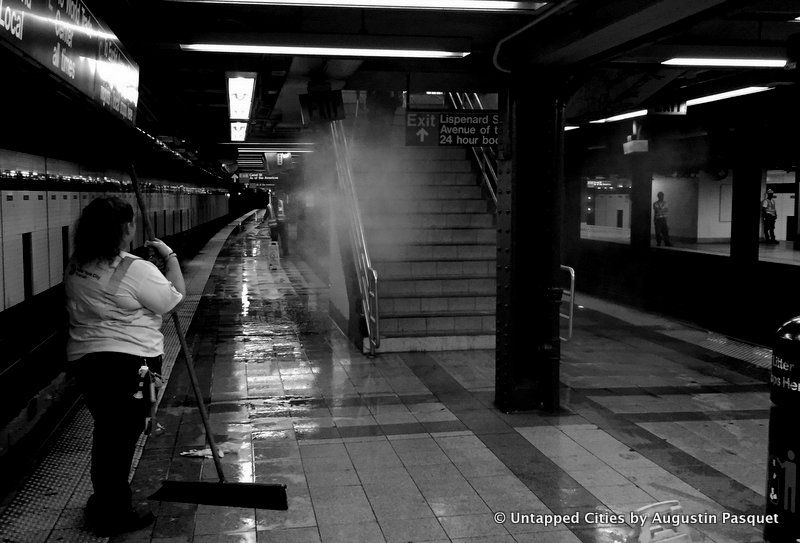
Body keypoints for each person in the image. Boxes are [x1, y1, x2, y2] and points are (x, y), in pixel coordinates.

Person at [65, 196, 185, 536]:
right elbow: (175, 296)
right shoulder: (136, 269)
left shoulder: (77, 263)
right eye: (130, 224)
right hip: (130, 366)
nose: (133, 229)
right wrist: (169, 255)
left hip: (86, 364)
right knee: (120, 440)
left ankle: (104, 500)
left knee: (108, 433)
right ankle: (113, 513)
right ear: (122, 229)